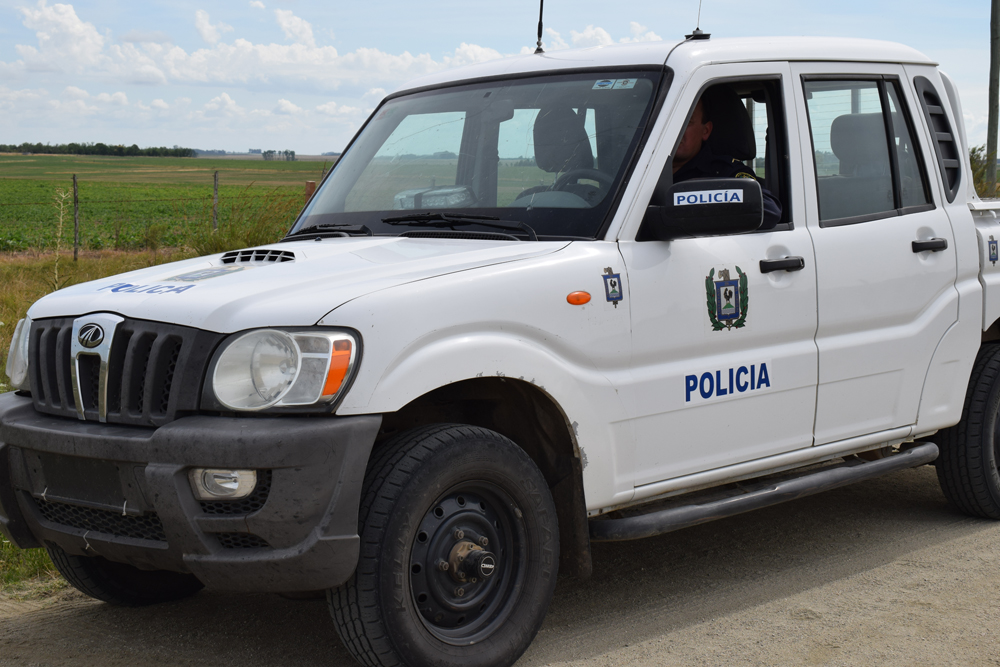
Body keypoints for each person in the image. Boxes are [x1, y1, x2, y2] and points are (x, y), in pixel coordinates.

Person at [673, 97, 782, 229]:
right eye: (670, 122)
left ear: (706, 131)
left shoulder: (724, 172)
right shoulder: (649, 170)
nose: (674, 130)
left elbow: (768, 210)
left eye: (686, 122)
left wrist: (700, 202)